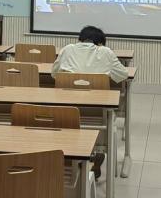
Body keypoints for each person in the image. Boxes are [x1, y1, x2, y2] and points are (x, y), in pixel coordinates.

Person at [51, 25, 128, 179]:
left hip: (67, 114)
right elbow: (123, 75)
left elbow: (54, 74)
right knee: (106, 112)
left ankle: (74, 157)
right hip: (98, 117)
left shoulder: (67, 49)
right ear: (100, 43)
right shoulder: (105, 52)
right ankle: (95, 154)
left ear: (80, 39)